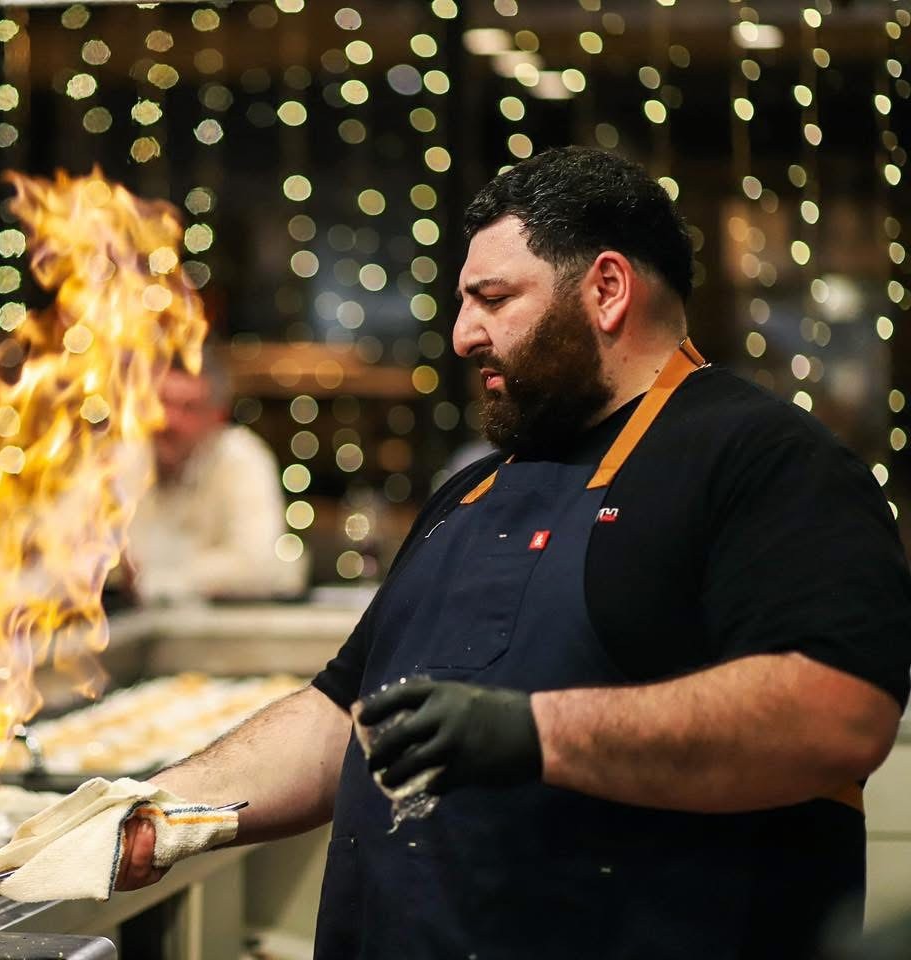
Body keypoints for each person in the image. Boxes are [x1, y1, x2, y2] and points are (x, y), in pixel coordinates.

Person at [113, 148, 911, 958]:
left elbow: (836, 714)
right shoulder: (473, 494)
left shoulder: (765, 460)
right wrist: (154, 809)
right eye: (464, 302)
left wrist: (535, 732)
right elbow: (340, 721)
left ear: (606, 290)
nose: (463, 335)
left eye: (493, 299)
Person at [124, 352, 304, 603]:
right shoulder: (123, 455)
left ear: (217, 416)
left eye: (188, 408)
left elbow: (256, 564)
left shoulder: (241, 458)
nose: (169, 421)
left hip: (222, 635)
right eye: (162, 403)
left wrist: (156, 581)